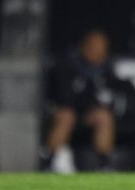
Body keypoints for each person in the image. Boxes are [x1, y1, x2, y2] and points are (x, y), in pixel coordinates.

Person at [43, 30, 121, 171]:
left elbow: (111, 96)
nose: (100, 53)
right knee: (67, 116)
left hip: (88, 114)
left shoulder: (106, 68)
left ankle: (105, 165)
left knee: (104, 117)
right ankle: (49, 161)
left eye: (103, 49)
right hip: (63, 111)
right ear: (86, 47)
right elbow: (61, 96)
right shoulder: (68, 63)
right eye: (96, 48)